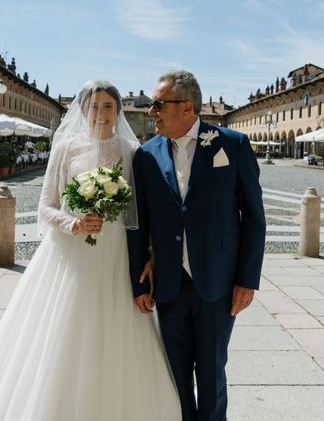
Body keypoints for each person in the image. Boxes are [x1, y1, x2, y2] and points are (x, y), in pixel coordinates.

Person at [0, 80, 181, 421]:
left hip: (115, 253)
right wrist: (73, 224)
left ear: (118, 112)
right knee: (64, 333)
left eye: (108, 107)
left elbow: (142, 213)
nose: (101, 114)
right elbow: (46, 206)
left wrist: (149, 254)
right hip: (71, 254)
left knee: (117, 329)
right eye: (94, 106)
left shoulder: (133, 154)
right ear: (83, 110)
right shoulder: (65, 149)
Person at [127, 70, 266, 421]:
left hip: (218, 284)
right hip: (169, 285)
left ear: (186, 107)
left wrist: (247, 279)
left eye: (158, 104)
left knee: (211, 373)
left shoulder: (232, 145)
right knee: (174, 377)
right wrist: (139, 280)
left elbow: (253, 218)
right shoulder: (145, 156)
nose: (151, 112)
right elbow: (138, 223)